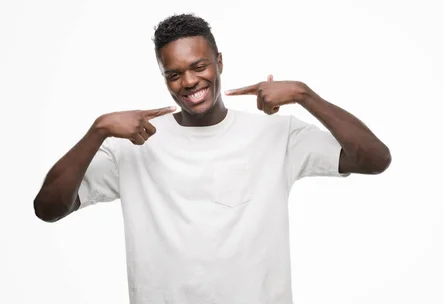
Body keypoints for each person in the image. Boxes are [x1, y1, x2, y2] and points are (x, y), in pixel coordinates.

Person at [33, 13, 391, 304]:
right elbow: (48, 208)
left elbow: (375, 159)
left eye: (199, 66)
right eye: (173, 74)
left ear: (219, 62)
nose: (188, 81)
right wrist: (98, 132)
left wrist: (303, 94)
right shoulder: (134, 143)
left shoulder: (276, 136)